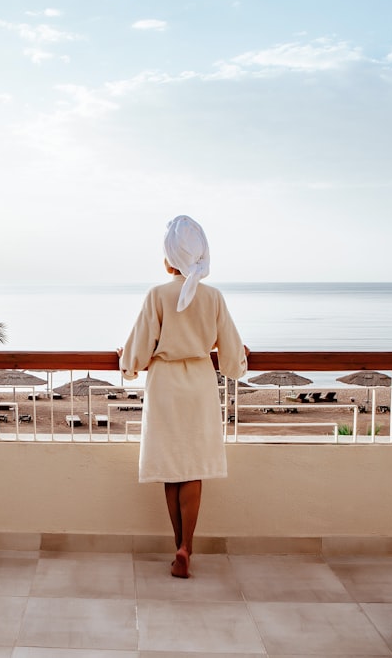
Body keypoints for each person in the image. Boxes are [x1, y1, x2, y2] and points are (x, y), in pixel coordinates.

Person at [117, 215, 248, 578]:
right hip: (201, 386)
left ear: (167, 260)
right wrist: (238, 357)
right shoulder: (214, 297)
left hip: (166, 386)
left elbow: (137, 351)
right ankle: (186, 545)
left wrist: (126, 363)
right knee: (193, 469)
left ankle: (179, 545)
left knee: (171, 470)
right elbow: (234, 356)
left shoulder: (158, 295)